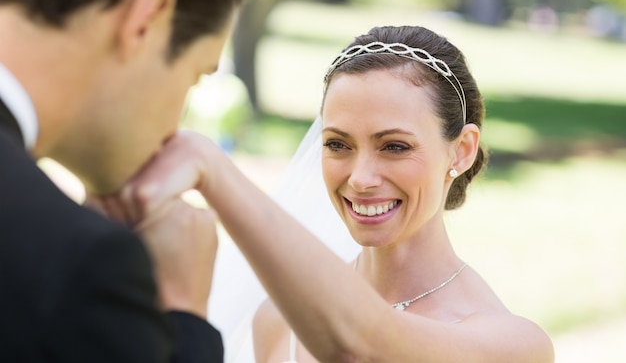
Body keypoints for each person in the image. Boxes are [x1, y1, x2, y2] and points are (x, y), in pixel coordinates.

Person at [108, 25, 555, 362]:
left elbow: (358, 345)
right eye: (338, 144)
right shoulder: (276, 321)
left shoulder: (512, 345)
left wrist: (213, 172)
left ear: (461, 151)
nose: (360, 177)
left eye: (394, 146)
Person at [0, 0, 267, 361]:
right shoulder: (81, 260)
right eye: (195, 75)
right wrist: (184, 313)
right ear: (146, 21)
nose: (172, 129)